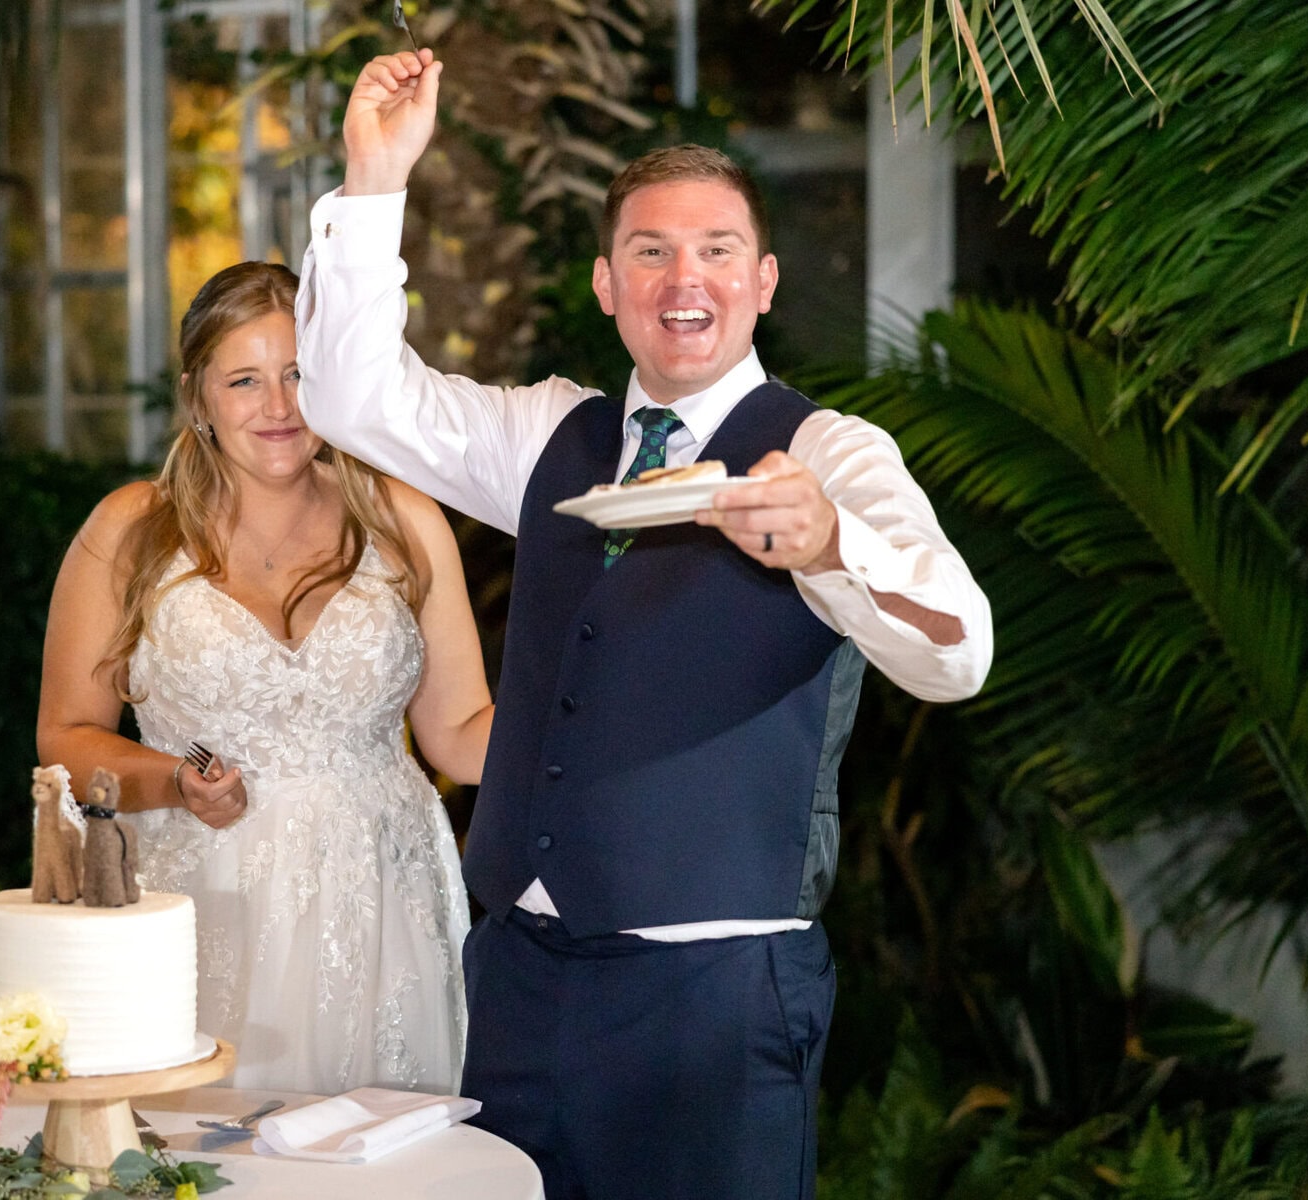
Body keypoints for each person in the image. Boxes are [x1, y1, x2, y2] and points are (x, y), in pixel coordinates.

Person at [295, 50, 993, 1200]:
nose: (685, 279)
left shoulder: (827, 452)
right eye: (650, 252)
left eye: (717, 250)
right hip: (520, 982)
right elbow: (350, 399)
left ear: (764, 280)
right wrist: (376, 178)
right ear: (607, 284)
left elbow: (959, 649)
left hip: (713, 1001)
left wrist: (831, 545)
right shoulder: (547, 434)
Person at [36, 260, 493, 1096]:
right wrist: (175, 781)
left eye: (299, 375)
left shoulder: (404, 520)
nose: (278, 406)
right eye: (244, 380)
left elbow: (462, 736)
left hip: (382, 903)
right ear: (197, 397)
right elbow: (66, 738)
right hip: (204, 898)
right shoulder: (131, 530)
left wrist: (609, 703)